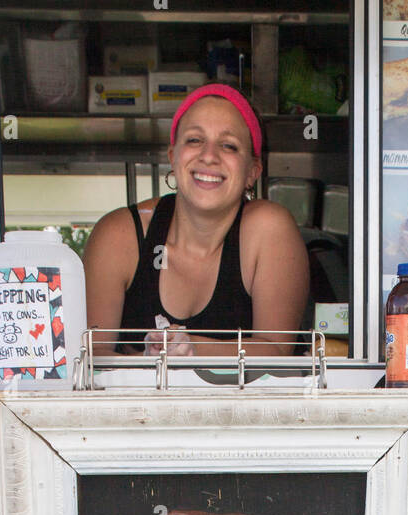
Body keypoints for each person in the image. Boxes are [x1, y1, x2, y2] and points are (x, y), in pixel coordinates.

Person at [83, 83, 310, 357]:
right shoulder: (118, 235)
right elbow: (89, 357)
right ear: (173, 157)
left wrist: (188, 347)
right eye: (194, 140)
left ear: (253, 171)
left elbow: (276, 351)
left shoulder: (269, 228)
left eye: (228, 145)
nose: (209, 156)